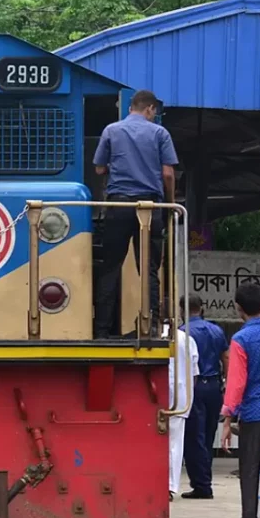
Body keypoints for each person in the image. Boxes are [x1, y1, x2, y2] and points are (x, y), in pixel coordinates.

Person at [91, 89, 178, 339]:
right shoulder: (160, 133)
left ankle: (101, 330)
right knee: (149, 268)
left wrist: (117, 167)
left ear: (131, 108)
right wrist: (170, 204)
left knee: (111, 266)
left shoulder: (111, 130)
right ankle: (151, 326)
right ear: (150, 109)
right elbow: (168, 174)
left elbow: (99, 169)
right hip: (150, 207)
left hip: (119, 206)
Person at [222, 283, 260, 518]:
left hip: (253, 412)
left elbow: (237, 383)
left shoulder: (241, 339)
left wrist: (228, 417)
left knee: (250, 473)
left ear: (238, 308)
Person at [179, 295, 228, 499]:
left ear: (182, 309)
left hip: (195, 386)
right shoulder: (216, 330)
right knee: (208, 434)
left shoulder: (182, 333)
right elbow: (225, 356)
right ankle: (205, 478)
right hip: (214, 385)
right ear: (201, 308)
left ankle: (202, 484)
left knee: (194, 436)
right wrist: (226, 380)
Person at [168, 325, 199, 501]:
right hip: (180, 397)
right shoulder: (186, 339)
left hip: (154, 394)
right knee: (175, 444)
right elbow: (194, 373)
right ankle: (170, 486)